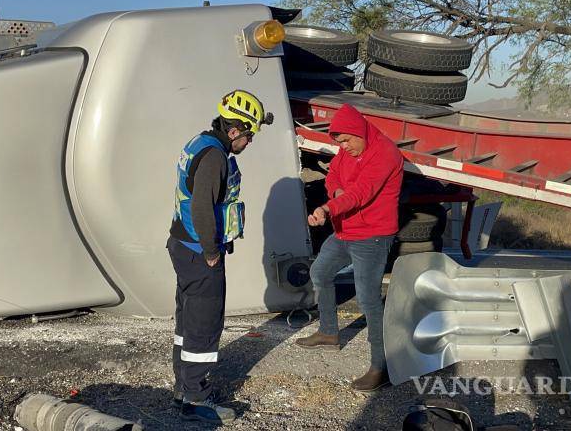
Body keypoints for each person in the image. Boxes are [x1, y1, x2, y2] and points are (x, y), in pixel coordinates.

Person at [167, 89, 273, 424]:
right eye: (249, 134)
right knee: (204, 322)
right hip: (200, 252)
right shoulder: (214, 157)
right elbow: (201, 206)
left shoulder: (200, 142)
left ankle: (184, 385)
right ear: (233, 131)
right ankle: (196, 400)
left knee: (188, 319)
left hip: (183, 246)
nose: (250, 141)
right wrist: (212, 252)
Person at [294, 103, 403, 392]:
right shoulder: (347, 150)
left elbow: (361, 193)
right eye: (338, 142)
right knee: (320, 272)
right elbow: (333, 177)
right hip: (346, 231)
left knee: (368, 300)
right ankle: (329, 333)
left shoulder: (385, 153)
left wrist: (329, 207)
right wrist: (335, 192)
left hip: (373, 236)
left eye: (346, 140)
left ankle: (383, 367)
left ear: (358, 132)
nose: (343, 146)